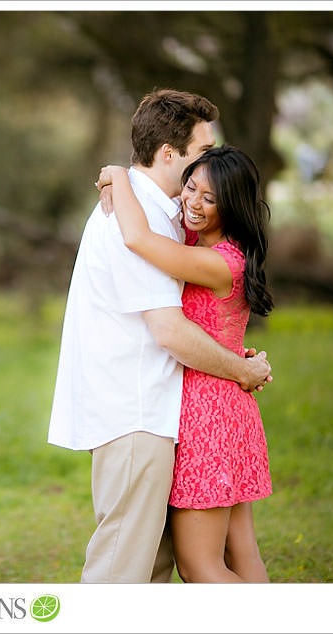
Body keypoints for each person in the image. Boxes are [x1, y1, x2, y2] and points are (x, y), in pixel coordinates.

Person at [47, 89, 272, 584]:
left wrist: (116, 174)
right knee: (122, 572)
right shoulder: (141, 214)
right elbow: (169, 330)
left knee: (154, 570)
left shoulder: (162, 214)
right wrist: (243, 369)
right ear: (169, 154)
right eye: (202, 151)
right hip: (136, 411)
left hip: (168, 413)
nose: (208, 164)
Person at [96, 145, 274, 582]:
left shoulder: (219, 262)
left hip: (209, 416)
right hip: (226, 406)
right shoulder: (207, 244)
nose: (193, 202)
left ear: (230, 206)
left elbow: (137, 238)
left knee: (200, 566)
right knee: (240, 555)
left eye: (209, 198)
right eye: (190, 187)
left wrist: (120, 175)